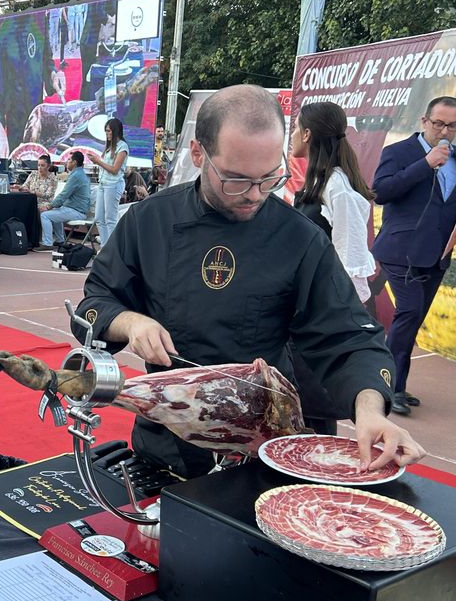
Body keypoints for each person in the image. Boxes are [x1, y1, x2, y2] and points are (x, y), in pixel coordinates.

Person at [73, 84, 423, 479]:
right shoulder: (149, 221)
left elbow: (348, 336)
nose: (255, 195)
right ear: (198, 154)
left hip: (264, 448)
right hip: (168, 440)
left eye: (270, 178)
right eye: (236, 180)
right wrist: (131, 322)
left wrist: (369, 410)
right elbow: (94, 304)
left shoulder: (300, 238)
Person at [371, 96, 456, 416]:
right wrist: (425, 164)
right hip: (399, 251)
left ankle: (397, 384)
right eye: (438, 124)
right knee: (408, 312)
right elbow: (381, 192)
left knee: (414, 319)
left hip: (437, 254)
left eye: (452, 125)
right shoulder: (398, 152)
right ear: (424, 121)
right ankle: (386, 388)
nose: (444, 131)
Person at [289, 101, 378, 434]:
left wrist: (334, 322)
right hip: (302, 312)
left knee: (314, 414)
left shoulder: (338, 189)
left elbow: (351, 262)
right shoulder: (320, 182)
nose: (293, 135)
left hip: (322, 318)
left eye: (297, 127)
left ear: (308, 133)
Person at [35, 150, 89, 251]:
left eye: (69, 160)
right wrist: (53, 206)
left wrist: (48, 206)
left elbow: (63, 195)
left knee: (45, 215)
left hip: (77, 211)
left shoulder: (76, 176)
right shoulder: (78, 174)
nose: (66, 162)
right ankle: (60, 240)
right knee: (55, 211)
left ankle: (47, 243)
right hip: (75, 209)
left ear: (74, 162)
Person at [88, 117, 128, 246]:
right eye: (106, 131)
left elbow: (115, 169)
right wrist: (98, 161)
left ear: (115, 131)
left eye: (109, 131)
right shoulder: (109, 146)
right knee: (99, 218)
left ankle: (112, 249)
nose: (107, 133)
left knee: (110, 219)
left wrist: (98, 161)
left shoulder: (122, 147)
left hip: (113, 184)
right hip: (103, 183)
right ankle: (105, 247)